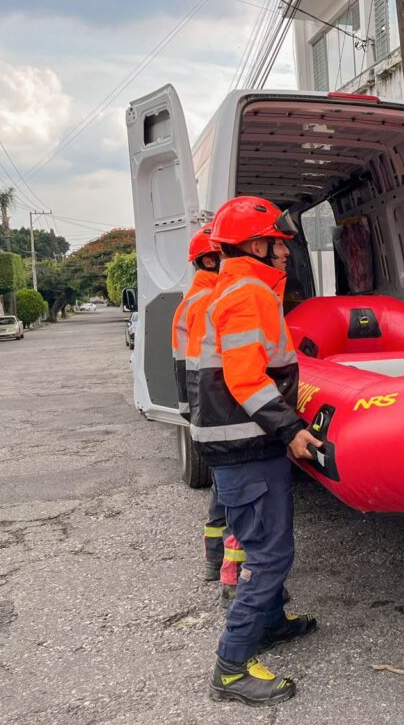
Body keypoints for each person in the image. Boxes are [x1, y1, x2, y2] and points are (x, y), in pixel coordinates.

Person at [186, 196, 323, 705]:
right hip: (246, 444)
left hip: (239, 442)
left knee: (263, 543)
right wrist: (290, 430)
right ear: (254, 246)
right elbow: (246, 379)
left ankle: (270, 623)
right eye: (277, 244)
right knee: (269, 555)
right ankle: (231, 666)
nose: (285, 252)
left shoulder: (235, 289)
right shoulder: (247, 294)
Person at [169, 226, 237, 583]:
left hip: (200, 411)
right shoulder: (214, 300)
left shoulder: (190, 302)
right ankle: (233, 573)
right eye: (226, 254)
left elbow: (184, 365)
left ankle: (214, 558)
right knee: (236, 494)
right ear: (210, 260)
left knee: (222, 491)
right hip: (221, 410)